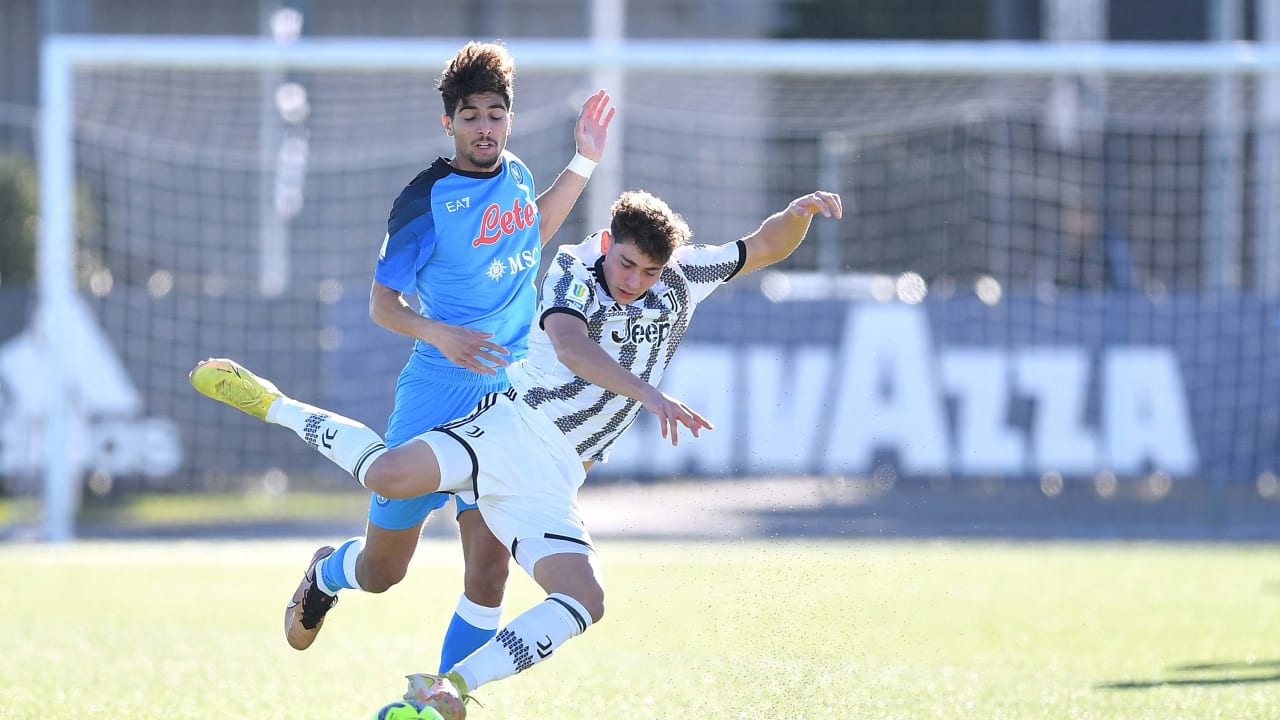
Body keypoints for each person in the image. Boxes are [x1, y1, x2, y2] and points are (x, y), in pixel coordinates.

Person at [189, 188, 842, 719]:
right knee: (389, 508)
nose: (635, 283)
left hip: (554, 479)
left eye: (648, 273)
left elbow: (759, 248)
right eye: (626, 266)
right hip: (508, 430)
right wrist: (650, 395)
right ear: (608, 245)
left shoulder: (681, 277)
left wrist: (799, 215)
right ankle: (273, 411)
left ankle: (444, 693)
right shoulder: (573, 270)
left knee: (579, 598)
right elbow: (570, 348)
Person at [267, 39, 615, 672]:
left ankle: (444, 699)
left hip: (506, 397)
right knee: (383, 571)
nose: (485, 127)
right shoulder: (422, 200)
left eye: (495, 114)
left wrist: (585, 162)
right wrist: (440, 334)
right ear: (448, 121)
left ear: (509, 117)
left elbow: (530, 232)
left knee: (488, 568)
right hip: (435, 392)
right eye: (472, 115)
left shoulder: (518, 173)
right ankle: (329, 571)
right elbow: (382, 304)